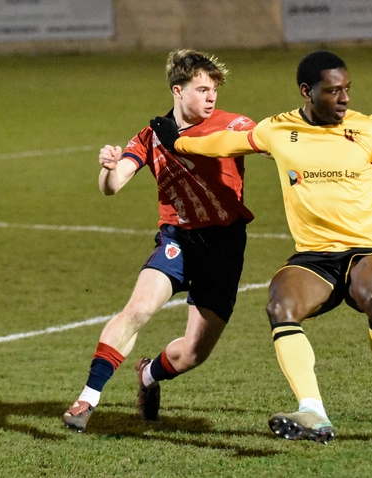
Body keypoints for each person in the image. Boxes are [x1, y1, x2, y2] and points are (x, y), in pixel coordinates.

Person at [150, 50, 372, 448]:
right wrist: (179, 143)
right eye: (333, 91)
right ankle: (313, 412)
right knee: (280, 306)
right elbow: (224, 142)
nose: (345, 98)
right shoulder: (278, 130)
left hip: (369, 247)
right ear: (307, 92)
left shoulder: (369, 129)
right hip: (315, 254)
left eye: (347, 89)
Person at [62, 49, 256, 432]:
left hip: (223, 246)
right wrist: (108, 169)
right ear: (177, 90)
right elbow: (113, 185)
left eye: (214, 90)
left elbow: (263, 142)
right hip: (177, 240)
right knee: (137, 310)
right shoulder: (152, 135)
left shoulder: (232, 124)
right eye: (202, 90)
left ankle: (148, 375)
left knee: (192, 354)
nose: (211, 98)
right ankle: (87, 399)